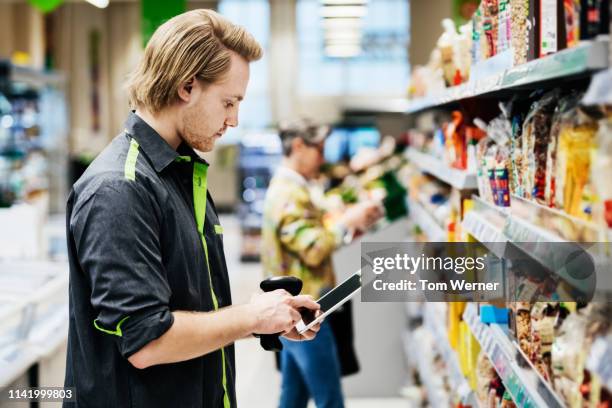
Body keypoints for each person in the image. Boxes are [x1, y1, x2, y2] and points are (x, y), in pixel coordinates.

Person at [63, 10, 321, 408]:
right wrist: (251, 318)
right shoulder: (119, 187)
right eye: (229, 102)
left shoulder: (180, 173)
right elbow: (148, 340)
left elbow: (190, 308)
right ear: (187, 86)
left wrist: (264, 315)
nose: (234, 120)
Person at [261, 119, 383, 408]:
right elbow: (313, 248)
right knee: (329, 398)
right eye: (319, 148)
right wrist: (346, 223)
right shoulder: (288, 193)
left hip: (293, 308)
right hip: (306, 310)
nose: (323, 157)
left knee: (293, 395)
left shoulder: (295, 188)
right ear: (299, 146)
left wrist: (349, 225)